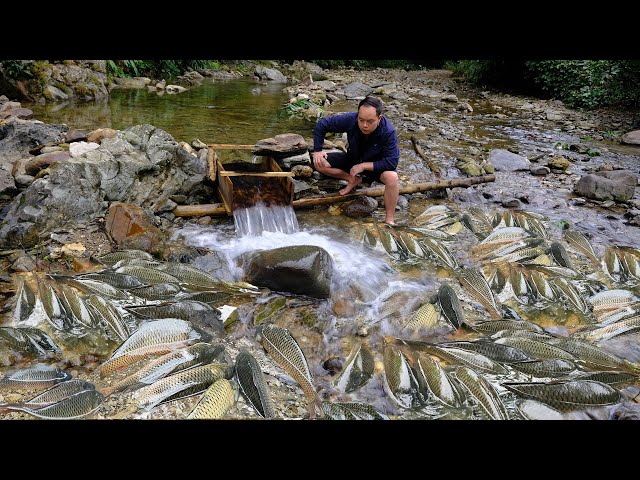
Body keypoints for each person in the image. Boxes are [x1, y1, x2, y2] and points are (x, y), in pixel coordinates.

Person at [312, 96, 400, 225]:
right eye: (361, 120)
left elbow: (392, 162)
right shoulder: (351, 119)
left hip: (374, 168)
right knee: (319, 163)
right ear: (358, 115)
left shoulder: (388, 131)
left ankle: (389, 220)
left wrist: (364, 166)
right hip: (352, 160)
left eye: (370, 121)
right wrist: (318, 150)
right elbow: (322, 124)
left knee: (392, 177)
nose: (364, 125)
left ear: (379, 118)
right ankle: (352, 180)